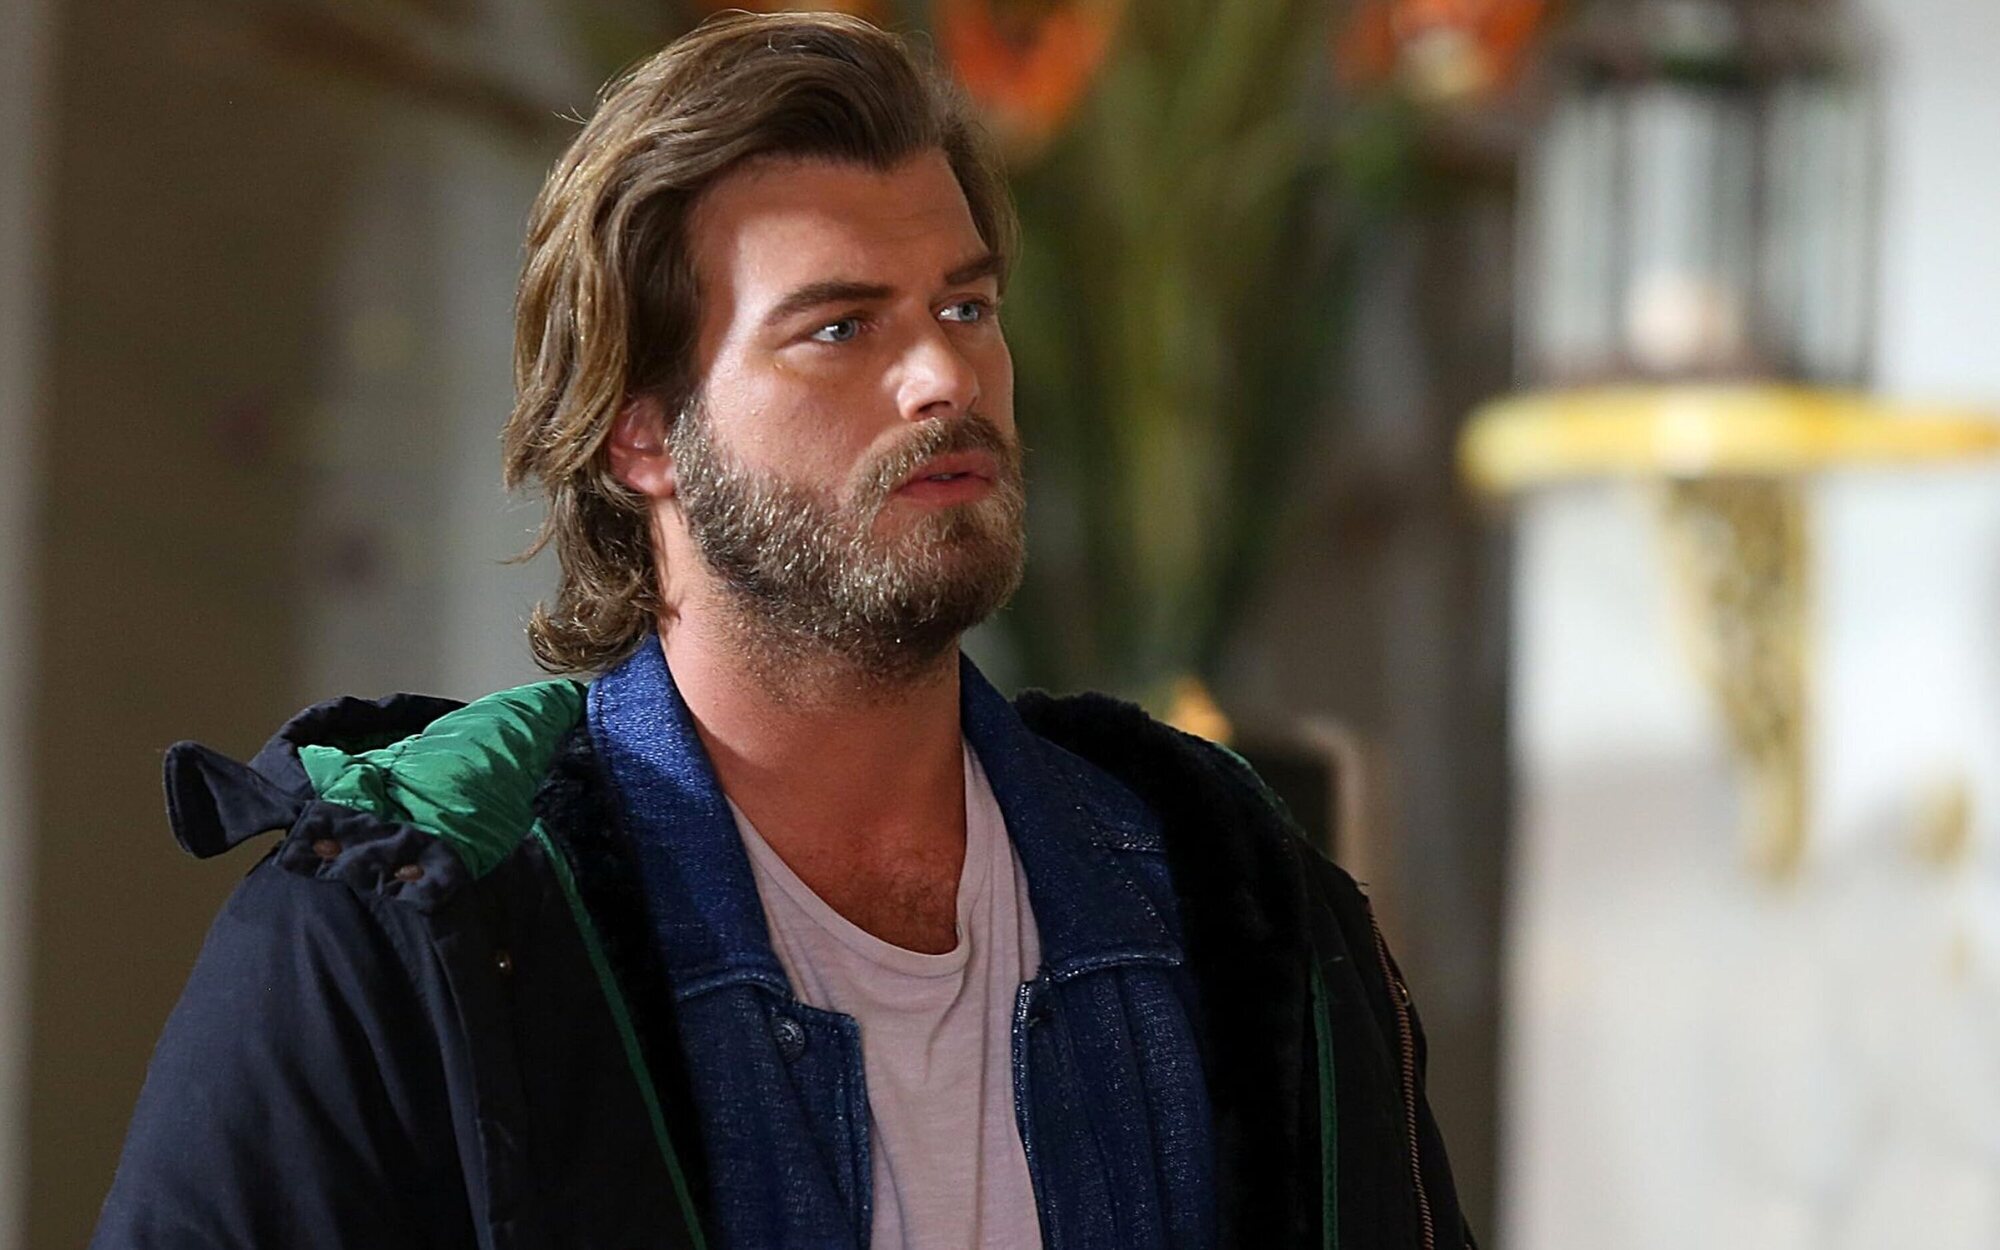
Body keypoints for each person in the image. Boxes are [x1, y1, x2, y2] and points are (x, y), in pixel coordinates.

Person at [92, 11, 1472, 1249]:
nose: (944, 375)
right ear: (643, 434)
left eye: (966, 307)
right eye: (841, 328)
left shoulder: (1227, 889)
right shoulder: (412, 921)